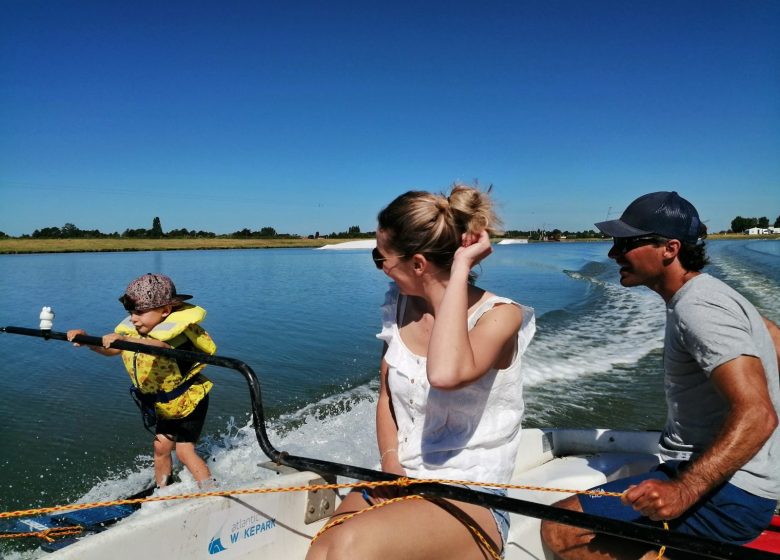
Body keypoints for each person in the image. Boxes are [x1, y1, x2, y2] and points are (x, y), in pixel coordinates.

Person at [541, 191, 780, 559]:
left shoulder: (699, 307)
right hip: (740, 482)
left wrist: (684, 490)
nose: (612, 254)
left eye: (625, 243)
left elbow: (758, 413)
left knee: (563, 529)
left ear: (669, 248)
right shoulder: (711, 296)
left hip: (734, 494)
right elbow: (774, 344)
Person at [307, 184, 536, 560]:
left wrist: (461, 267)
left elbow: (445, 373)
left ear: (418, 264)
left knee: (349, 548)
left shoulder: (500, 317)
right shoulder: (398, 306)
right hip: (402, 478)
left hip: (473, 495)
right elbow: (386, 396)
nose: (380, 268)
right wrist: (392, 465)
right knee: (325, 547)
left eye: (381, 258)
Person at [67, 273, 217, 489]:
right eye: (130, 313)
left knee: (184, 452)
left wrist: (127, 339)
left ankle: (212, 492)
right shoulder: (135, 331)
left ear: (165, 311)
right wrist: (87, 340)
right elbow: (111, 351)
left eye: (139, 312)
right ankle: (163, 492)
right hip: (166, 404)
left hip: (191, 400)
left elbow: (161, 349)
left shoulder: (175, 336)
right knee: (160, 449)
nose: (133, 318)